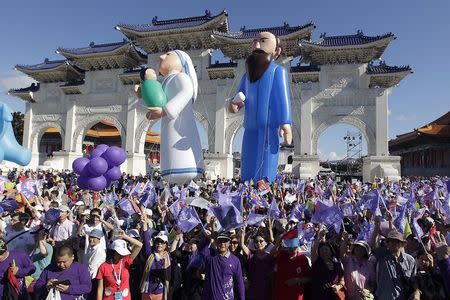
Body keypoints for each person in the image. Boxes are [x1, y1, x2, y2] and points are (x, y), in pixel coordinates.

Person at [228, 31, 292, 182]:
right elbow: (237, 99)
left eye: (263, 41)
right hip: (249, 127)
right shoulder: (247, 76)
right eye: (255, 42)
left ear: (277, 51)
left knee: (265, 164)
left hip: (268, 128)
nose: (257, 45)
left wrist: (285, 122)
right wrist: (233, 105)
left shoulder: (278, 72)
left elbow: (282, 98)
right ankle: (246, 188)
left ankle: (264, 193)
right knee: (247, 162)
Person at [142, 50, 204, 185]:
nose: (161, 56)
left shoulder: (181, 77)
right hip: (168, 126)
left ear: (182, 61)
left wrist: (165, 111)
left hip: (181, 128)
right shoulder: (164, 82)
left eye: (168, 54)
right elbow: (158, 100)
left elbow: (186, 92)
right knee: (169, 150)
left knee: (181, 157)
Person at [371, 227, 419, 300]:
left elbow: (414, 279)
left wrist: (416, 291)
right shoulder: (382, 255)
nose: (394, 243)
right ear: (387, 243)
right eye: (391, 241)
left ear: (402, 244)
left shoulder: (410, 260)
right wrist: (376, 227)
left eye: (397, 241)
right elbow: (373, 245)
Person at [96, 230, 142, 300]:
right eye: (119, 253)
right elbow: (100, 289)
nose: (122, 256)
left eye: (123, 254)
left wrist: (125, 236)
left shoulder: (126, 261)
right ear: (113, 252)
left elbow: (139, 245)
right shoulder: (103, 266)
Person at [201, 233, 245, 300]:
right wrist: (208, 238)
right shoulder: (210, 257)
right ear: (216, 242)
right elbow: (201, 247)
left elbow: (239, 283)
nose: (222, 244)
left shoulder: (235, 261)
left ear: (229, 243)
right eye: (220, 241)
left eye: (225, 241)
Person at [311, 228, 345, 300]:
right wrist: (319, 238)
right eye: (322, 250)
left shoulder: (337, 264)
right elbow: (314, 250)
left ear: (331, 251)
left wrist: (339, 286)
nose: (324, 252)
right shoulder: (316, 263)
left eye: (326, 249)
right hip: (318, 296)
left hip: (334, 296)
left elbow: (342, 277)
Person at [240, 227, 274, 300]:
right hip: (253, 291)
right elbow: (242, 245)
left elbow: (276, 244)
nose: (259, 243)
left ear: (265, 243)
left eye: (261, 241)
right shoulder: (251, 256)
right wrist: (243, 234)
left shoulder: (270, 256)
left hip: (266, 291)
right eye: (256, 241)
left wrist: (270, 229)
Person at [339, 232, 375, 300]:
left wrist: (368, 290)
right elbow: (342, 252)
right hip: (349, 298)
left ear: (366, 251)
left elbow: (373, 284)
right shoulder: (348, 260)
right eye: (357, 248)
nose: (359, 250)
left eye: (362, 248)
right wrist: (345, 240)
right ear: (354, 249)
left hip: (364, 298)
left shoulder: (370, 265)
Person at [140, 228, 172, 300]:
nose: (159, 244)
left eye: (162, 242)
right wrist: (145, 227)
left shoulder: (168, 258)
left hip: (160, 292)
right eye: (157, 241)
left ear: (166, 245)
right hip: (147, 291)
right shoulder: (150, 254)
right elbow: (146, 242)